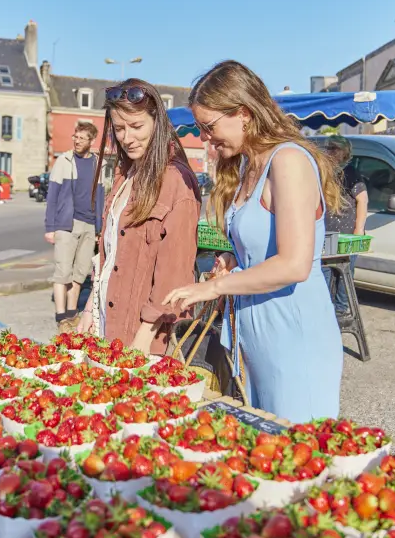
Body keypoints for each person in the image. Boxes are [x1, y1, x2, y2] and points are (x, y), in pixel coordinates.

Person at [163, 59, 344, 424]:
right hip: (259, 338)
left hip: (295, 340)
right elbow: (259, 248)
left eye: (208, 126)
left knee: (297, 460)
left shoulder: (289, 160)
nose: (204, 138)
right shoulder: (249, 167)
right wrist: (232, 257)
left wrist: (215, 287)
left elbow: (294, 264)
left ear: (243, 113)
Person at [76, 79, 200, 356]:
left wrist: (146, 332)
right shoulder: (125, 174)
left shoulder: (175, 180)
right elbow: (109, 256)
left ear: (157, 124)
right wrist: (89, 309)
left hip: (146, 336)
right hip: (108, 323)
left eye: (136, 127)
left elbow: (175, 274)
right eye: (119, 129)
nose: (126, 138)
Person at [45, 121, 105, 327]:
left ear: (91, 140)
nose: (77, 141)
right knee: (62, 273)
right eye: (75, 137)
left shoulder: (97, 163)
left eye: (81, 138)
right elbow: (52, 196)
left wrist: (99, 228)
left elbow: (100, 198)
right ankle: (61, 318)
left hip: (89, 226)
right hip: (67, 224)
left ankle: (72, 314)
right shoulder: (64, 161)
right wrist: (50, 228)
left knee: (80, 274)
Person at [322, 136, 368, 315]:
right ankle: (324, 308)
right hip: (327, 233)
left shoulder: (350, 172)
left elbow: (363, 200)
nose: (330, 152)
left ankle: (341, 310)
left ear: (344, 153)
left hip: (347, 233)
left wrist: (359, 230)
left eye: (334, 148)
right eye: (329, 148)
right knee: (324, 271)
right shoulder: (325, 172)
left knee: (344, 273)